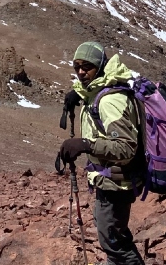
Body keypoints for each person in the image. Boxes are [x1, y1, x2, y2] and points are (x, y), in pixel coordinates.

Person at [57, 41, 145, 265]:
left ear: (101, 66)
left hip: (117, 181)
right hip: (110, 177)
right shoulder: (100, 91)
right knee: (109, 229)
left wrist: (86, 144)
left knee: (113, 242)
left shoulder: (109, 101)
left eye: (87, 66)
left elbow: (126, 148)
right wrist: (77, 93)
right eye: (76, 66)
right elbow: (94, 87)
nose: (80, 71)